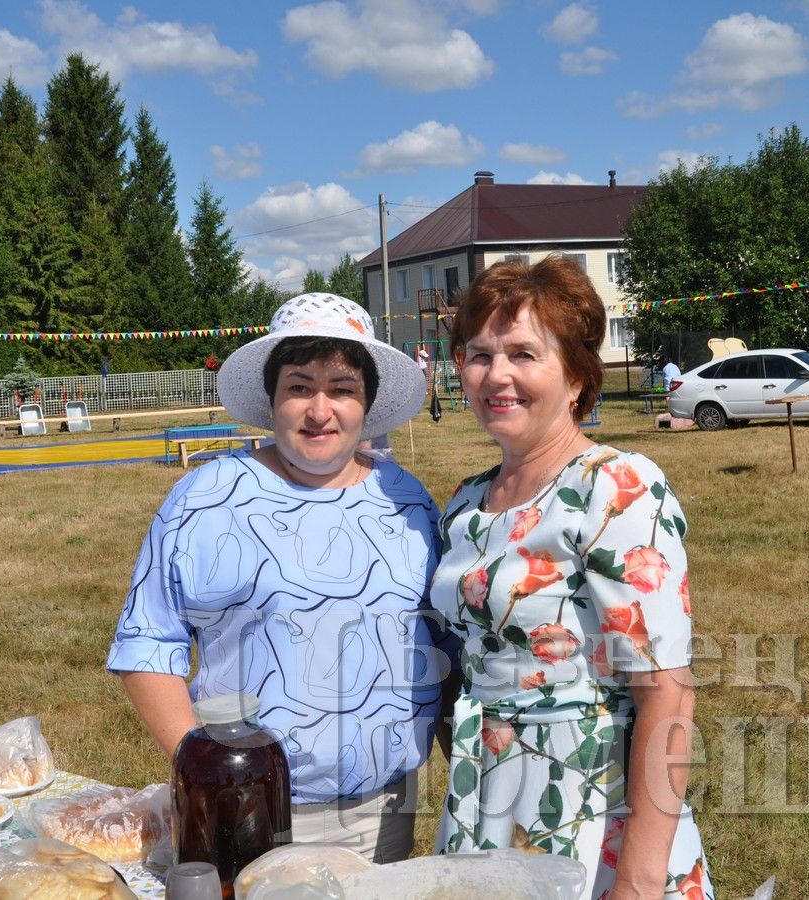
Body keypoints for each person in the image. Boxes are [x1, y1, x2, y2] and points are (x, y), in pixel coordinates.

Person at [108, 292, 448, 863]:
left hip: (385, 809)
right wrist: (212, 779)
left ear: (366, 403)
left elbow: (441, 643)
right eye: (299, 386)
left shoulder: (406, 499)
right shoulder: (207, 499)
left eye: (342, 389)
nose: (320, 410)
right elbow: (147, 646)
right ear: (272, 400)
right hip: (248, 810)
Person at [432, 256, 713, 900]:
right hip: (482, 798)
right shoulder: (467, 501)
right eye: (479, 355)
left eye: (524, 354)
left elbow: (667, 696)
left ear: (577, 376)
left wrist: (638, 883)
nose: (496, 375)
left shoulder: (613, 488)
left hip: (590, 805)